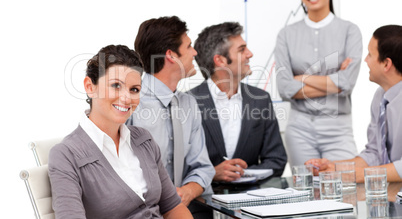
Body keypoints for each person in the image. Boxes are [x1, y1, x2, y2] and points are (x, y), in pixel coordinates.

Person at [48, 45, 192, 219]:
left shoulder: (143, 139)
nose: (126, 98)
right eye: (116, 85)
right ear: (89, 86)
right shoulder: (66, 155)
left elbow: (173, 207)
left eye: (134, 90)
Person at [274, 0, 362, 166]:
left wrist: (302, 78)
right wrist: (333, 82)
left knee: (345, 187)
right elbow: (285, 88)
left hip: (338, 128)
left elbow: (347, 83)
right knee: (305, 192)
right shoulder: (286, 35)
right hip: (299, 129)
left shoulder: (350, 31)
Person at [126, 16, 215, 218]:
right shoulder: (129, 103)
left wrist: (187, 191)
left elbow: (202, 167)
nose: (195, 52)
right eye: (189, 46)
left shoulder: (188, 104)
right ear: (171, 55)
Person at [189, 22, 287, 182]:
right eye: (242, 50)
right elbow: (176, 169)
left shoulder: (261, 100)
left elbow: (277, 161)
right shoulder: (188, 102)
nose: (250, 54)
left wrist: (240, 174)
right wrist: (212, 174)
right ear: (220, 60)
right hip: (201, 202)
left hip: (251, 200)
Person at [306, 25, 402, 183]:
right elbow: (375, 154)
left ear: (386, 64)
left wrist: (354, 176)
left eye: (370, 54)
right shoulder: (380, 96)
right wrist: (334, 167)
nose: (365, 60)